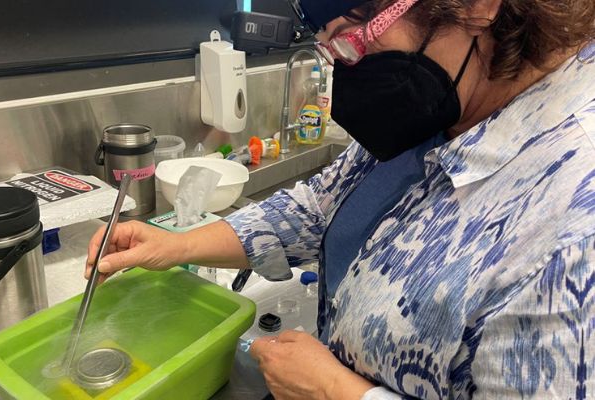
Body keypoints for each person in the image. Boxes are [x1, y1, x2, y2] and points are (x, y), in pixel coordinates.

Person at [86, 0, 595, 398]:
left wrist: (336, 391)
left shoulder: (573, 225)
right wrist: (175, 245)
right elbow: (319, 207)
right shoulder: (441, 107)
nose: (347, 69)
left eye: (356, 38)